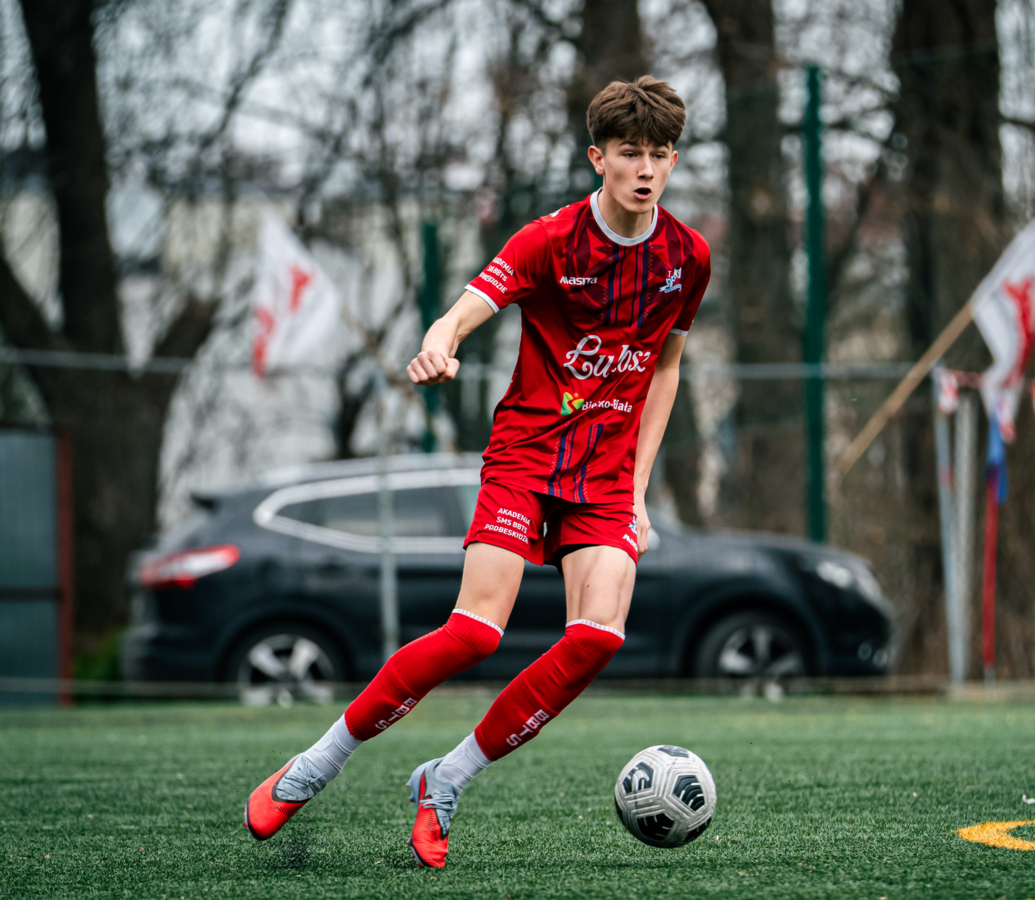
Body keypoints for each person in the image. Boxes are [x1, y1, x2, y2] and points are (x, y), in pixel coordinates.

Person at [244, 75, 710, 869]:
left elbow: (665, 369)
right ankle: (314, 765)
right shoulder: (549, 241)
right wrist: (440, 344)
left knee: (597, 638)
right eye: (630, 152)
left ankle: (447, 778)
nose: (646, 168)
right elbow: (462, 310)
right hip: (527, 456)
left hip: (604, 476)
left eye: (660, 154)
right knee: (474, 633)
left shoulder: (687, 257)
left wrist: (636, 489)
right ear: (597, 158)